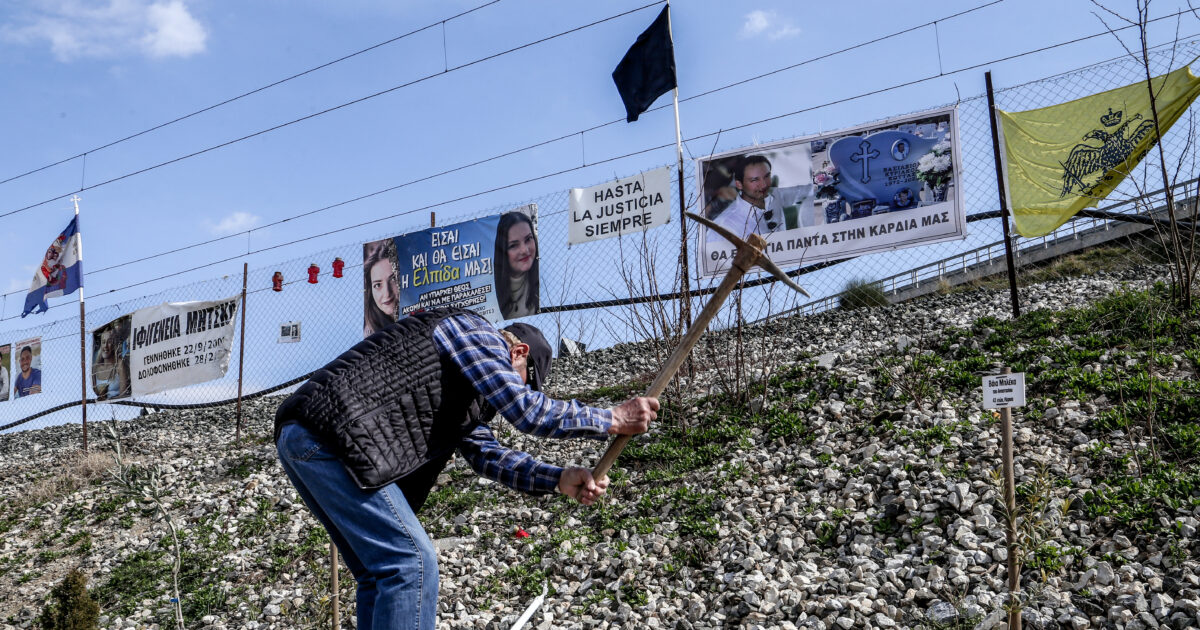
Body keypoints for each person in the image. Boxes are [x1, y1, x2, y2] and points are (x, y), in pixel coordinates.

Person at [274, 308, 658, 630]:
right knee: (409, 564)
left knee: (381, 574)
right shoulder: (476, 333)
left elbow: (487, 456)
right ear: (518, 352)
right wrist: (611, 417)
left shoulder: (465, 390)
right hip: (333, 436)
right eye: (528, 381)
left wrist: (558, 478)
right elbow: (526, 411)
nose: (520, 389)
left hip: (310, 439)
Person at [709, 154, 815, 240]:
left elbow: (804, 191)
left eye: (766, 176)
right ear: (739, 184)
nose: (764, 185)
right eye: (754, 180)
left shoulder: (774, 194)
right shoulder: (725, 225)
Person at [494, 212, 540, 320]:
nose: (524, 250)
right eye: (514, 245)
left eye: (528, 239)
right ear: (502, 252)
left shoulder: (543, 284)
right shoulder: (493, 291)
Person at [363, 239, 400, 337]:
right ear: (370, 291)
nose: (387, 293)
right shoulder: (370, 337)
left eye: (393, 279)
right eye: (378, 285)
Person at [92, 326, 130, 400]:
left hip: (118, 406)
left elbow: (123, 393)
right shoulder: (96, 367)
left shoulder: (119, 364)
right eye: (103, 342)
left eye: (109, 342)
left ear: (114, 344)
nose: (105, 346)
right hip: (101, 408)